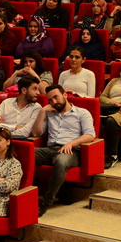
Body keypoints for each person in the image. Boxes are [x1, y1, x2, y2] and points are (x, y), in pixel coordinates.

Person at [32, 85, 97, 215]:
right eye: (50, 100)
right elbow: (35, 133)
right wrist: (43, 111)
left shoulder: (82, 113)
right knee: (24, 154)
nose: (54, 102)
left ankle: (45, 202)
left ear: (65, 95)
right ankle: (17, 195)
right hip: (51, 149)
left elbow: (90, 135)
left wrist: (71, 144)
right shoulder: (50, 113)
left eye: (56, 97)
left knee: (61, 161)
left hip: (72, 151)